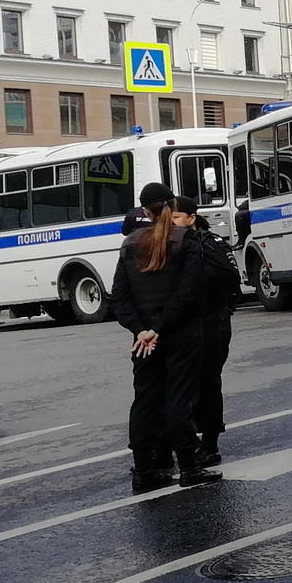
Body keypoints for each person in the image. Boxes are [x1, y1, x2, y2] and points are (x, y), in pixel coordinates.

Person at [109, 198, 208, 491]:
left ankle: (143, 470)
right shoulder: (185, 239)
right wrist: (159, 328)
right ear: (171, 205)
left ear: (144, 211)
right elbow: (190, 291)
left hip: (143, 341)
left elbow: (119, 297)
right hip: (180, 332)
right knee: (179, 398)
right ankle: (190, 467)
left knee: (145, 400)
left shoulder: (130, 243)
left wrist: (141, 330)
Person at [179, 199, 242, 470]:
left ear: (191, 218)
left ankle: (210, 443)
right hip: (190, 321)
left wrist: (195, 282)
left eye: (176, 218)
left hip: (212, 319)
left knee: (208, 381)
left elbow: (230, 276)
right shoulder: (179, 243)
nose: (171, 223)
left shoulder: (207, 242)